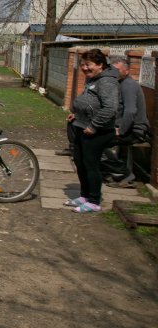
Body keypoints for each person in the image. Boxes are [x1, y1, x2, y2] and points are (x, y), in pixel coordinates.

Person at [63, 48, 120, 213]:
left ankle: (94, 201)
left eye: (89, 65)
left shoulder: (107, 82)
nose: (85, 68)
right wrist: (77, 115)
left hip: (98, 131)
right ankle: (84, 196)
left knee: (91, 165)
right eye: (82, 65)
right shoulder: (93, 79)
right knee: (80, 162)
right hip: (83, 127)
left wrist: (94, 126)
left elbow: (110, 108)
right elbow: (90, 103)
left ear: (100, 64)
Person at [100, 56, 151, 186]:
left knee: (98, 143)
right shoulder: (119, 83)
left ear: (126, 71)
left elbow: (130, 111)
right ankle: (110, 172)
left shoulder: (128, 85)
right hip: (125, 129)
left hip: (135, 132)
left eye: (118, 70)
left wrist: (120, 130)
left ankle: (123, 174)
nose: (114, 73)